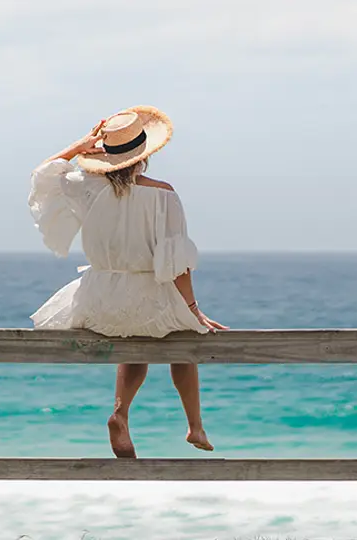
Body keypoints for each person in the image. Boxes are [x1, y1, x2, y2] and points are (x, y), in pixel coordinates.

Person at [27, 105, 226, 458]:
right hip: (145, 295)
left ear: (107, 155)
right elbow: (177, 264)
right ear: (143, 156)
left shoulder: (82, 187)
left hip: (98, 300)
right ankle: (194, 425)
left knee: (132, 333)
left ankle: (121, 412)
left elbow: (44, 172)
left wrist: (80, 145)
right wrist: (193, 310)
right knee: (183, 336)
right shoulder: (164, 195)